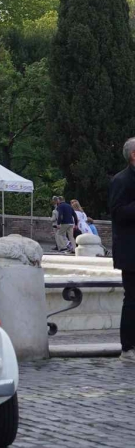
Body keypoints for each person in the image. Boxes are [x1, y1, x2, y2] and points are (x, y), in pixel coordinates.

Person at [111, 138, 135, 362]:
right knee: (132, 300)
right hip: (131, 253)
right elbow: (118, 213)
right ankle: (128, 348)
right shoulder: (121, 180)